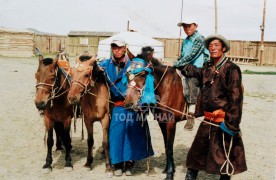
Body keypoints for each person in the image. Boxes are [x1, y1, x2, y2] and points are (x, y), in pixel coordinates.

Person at [181, 34, 247, 180]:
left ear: (223, 48)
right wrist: (182, 65)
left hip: (223, 121)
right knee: (196, 153)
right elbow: (197, 72)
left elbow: (236, 98)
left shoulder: (232, 69)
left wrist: (231, 125)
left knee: (223, 156)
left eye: (216, 45)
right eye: (210, 46)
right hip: (208, 119)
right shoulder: (208, 67)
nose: (212, 48)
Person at [98, 37, 154, 176]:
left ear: (125, 48)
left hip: (134, 104)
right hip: (117, 104)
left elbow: (144, 79)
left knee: (132, 133)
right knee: (116, 132)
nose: (117, 50)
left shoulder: (134, 64)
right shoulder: (105, 64)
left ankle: (129, 163)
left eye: (119, 47)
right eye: (114, 47)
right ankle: (117, 163)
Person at [173, 18, 210, 131]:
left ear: (196, 26)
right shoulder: (185, 40)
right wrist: (176, 63)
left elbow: (191, 56)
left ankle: (191, 115)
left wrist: (176, 64)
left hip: (197, 68)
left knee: (192, 83)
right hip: (186, 67)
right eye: (185, 26)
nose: (187, 29)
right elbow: (183, 55)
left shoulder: (200, 39)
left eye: (189, 26)